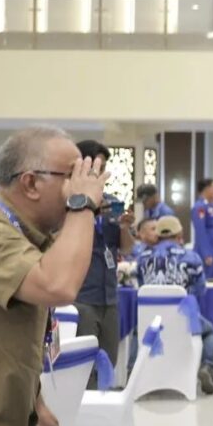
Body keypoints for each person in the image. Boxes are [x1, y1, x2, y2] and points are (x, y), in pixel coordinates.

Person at [0, 125, 109, 426]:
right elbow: (58, 285)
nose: (83, 186)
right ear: (30, 183)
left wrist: (35, 402)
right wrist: (82, 206)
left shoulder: (24, 236)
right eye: (72, 175)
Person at [74, 140, 135, 388]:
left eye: (105, 166)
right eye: (98, 166)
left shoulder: (112, 202)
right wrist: (91, 211)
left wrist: (125, 227)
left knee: (109, 359)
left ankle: (103, 403)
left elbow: (126, 249)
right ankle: (84, 406)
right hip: (82, 295)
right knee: (83, 363)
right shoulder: (72, 202)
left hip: (109, 295)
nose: (103, 172)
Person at [135, 216, 213, 393]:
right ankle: (207, 367)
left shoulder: (142, 258)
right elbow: (201, 289)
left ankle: (132, 372)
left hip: (151, 324)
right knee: (210, 331)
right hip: (182, 322)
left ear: (157, 235)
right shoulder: (191, 257)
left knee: (136, 330)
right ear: (179, 234)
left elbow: (142, 287)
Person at [191, 178, 213, 279]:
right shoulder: (199, 207)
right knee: (207, 280)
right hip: (206, 252)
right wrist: (206, 254)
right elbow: (200, 232)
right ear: (208, 189)